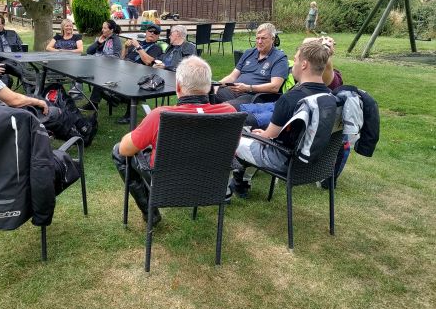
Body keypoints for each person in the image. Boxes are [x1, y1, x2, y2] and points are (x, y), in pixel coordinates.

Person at [112, 56, 237, 223]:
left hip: (168, 182)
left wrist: (137, 134)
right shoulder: (229, 112)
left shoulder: (160, 115)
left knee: (118, 151)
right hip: (210, 182)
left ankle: (150, 212)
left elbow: (124, 150)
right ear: (209, 87)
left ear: (178, 87)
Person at [231, 40, 332, 198]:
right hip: (315, 163)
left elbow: (268, 137)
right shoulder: (329, 97)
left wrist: (260, 134)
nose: (293, 65)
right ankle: (242, 180)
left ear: (304, 64)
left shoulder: (290, 99)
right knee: (255, 134)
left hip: (284, 161)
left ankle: (233, 186)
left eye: (296, 60)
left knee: (234, 138)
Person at [215, 22, 288, 106]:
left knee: (225, 107)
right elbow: (232, 76)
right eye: (257, 38)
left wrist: (248, 88)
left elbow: (275, 87)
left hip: (253, 96)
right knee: (207, 94)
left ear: (273, 39)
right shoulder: (249, 53)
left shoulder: (279, 58)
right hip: (234, 91)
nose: (259, 42)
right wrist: (217, 84)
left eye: (263, 38)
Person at [117, 24, 165, 124]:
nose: (152, 33)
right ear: (146, 32)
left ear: (158, 36)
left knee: (130, 82)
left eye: (155, 32)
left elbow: (148, 61)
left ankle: (129, 114)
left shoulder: (156, 48)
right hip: (126, 69)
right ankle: (98, 101)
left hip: (141, 74)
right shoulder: (138, 43)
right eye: (150, 31)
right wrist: (125, 47)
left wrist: (138, 47)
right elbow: (122, 59)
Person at [82, 20, 123, 110]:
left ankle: (94, 103)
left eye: (105, 28)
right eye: (102, 28)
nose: (102, 30)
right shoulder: (101, 38)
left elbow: (116, 56)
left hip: (109, 68)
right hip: (97, 66)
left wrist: (101, 59)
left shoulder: (116, 40)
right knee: (81, 70)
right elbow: (89, 51)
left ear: (111, 30)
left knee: (100, 76)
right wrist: (98, 43)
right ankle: (77, 91)